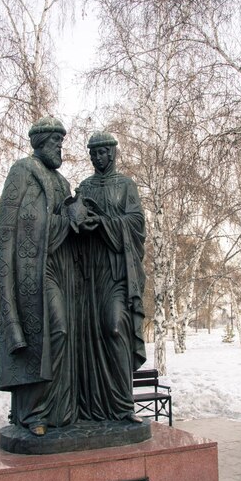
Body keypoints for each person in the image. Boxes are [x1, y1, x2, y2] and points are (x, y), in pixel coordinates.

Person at [0, 116, 77, 435]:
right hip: (34, 270)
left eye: (61, 142)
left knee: (63, 334)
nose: (60, 148)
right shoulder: (23, 171)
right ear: (41, 143)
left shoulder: (62, 182)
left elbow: (63, 222)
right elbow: (8, 229)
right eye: (56, 142)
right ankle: (32, 412)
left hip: (61, 268)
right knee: (52, 333)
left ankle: (57, 407)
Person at [76, 131, 146, 422]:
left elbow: (137, 222)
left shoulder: (126, 185)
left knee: (115, 327)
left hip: (117, 271)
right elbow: (74, 219)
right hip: (90, 273)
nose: (96, 157)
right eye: (92, 153)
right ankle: (92, 408)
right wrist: (78, 219)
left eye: (101, 152)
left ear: (113, 153)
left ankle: (122, 405)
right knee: (89, 337)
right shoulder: (84, 186)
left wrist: (103, 223)